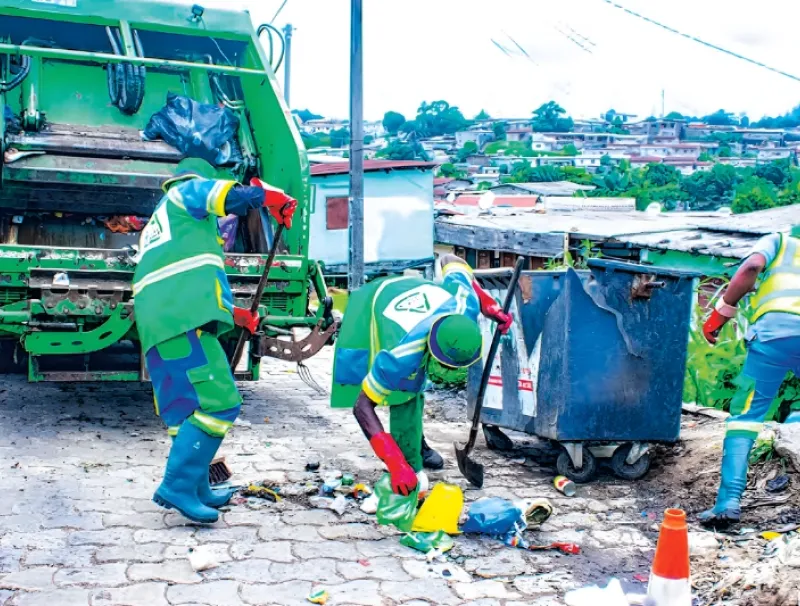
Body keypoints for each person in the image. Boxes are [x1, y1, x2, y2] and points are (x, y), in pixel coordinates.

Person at [134, 158, 297, 523]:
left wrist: (238, 315)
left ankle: (195, 487)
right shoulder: (184, 194)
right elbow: (236, 198)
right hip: (183, 321)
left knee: (184, 411)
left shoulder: (166, 228)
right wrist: (271, 199)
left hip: (162, 324)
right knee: (221, 403)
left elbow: (190, 281)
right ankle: (176, 486)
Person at [330, 254, 513, 495]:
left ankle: (416, 443)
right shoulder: (402, 355)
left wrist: (489, 305)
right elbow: (362, 407)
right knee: (402, 393)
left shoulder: (463, 305)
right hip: (375, 302)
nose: (449, 374)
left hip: (417, 298)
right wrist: (395, 464)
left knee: (414, 385)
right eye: (446, 367)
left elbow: (450, 259)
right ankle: (407, 454)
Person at [699, 225, 800, 526]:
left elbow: (752, 265)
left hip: (773, 338)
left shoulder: (779, 241)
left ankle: (728, 501)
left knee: (745, 417)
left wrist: (723, 310)